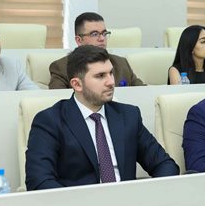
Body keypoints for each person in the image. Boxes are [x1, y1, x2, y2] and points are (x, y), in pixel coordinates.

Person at [26, 45, 178, 189]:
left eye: (111, 73)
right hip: (78, 204)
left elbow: (165, 165)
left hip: (128, 203)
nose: (111, 82)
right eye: (100, 76)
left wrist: (147, 197)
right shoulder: (50, 121)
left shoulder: (128, 116)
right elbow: (39, 181)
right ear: (77, 84)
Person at [48, 12, 144, 89]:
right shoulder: (61, 67)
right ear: (79, 40)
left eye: (104, 33)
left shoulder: (121, 64)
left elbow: (143, 91)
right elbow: (59, 100)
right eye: (94, 34)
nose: (102, 38)